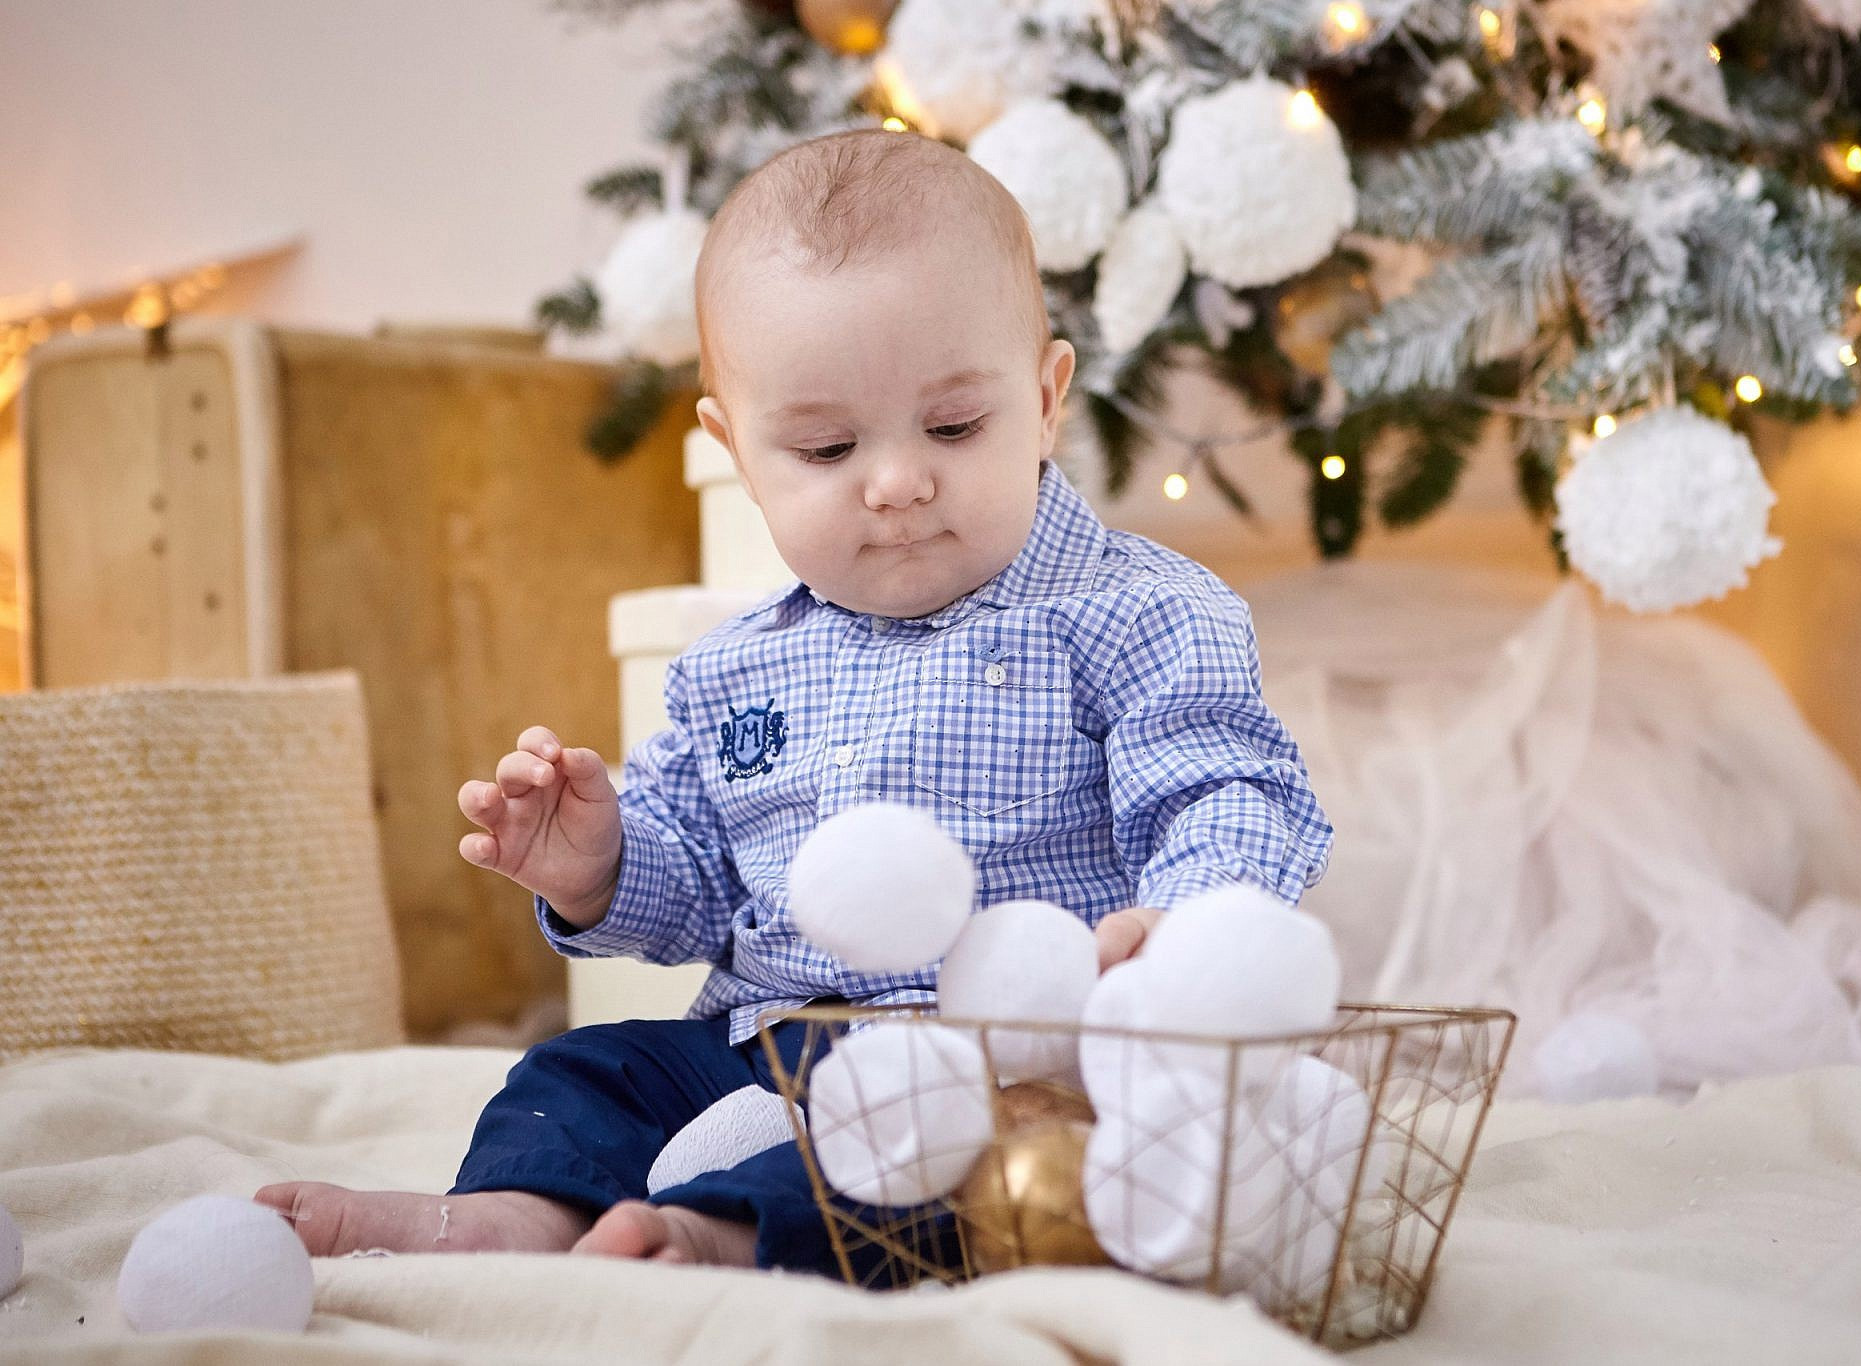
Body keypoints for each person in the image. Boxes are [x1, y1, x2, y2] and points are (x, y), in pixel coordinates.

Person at [257, 127, 1332, 1272]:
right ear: (734, 449)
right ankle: (511, 1214)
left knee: (942, 1160)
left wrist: (1188, 924)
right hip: (762, 1043)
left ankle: (716, 1233)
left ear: (1045, 396)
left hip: (999, 1061)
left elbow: (1228, 789)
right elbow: (701, 891)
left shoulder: (1137, 613)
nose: (896, 480)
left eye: (956, 426)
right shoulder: (735, 671)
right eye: (823, 448)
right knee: (583, 1068)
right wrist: (598, 863)